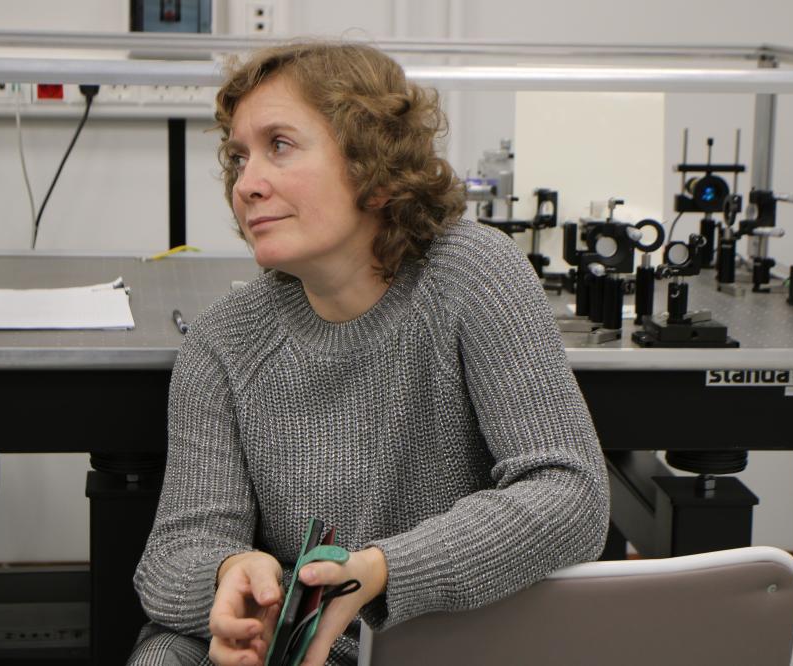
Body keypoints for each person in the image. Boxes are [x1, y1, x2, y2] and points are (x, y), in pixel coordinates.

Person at [129, 41, 609, 666]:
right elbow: (173, 556)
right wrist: (230, 576)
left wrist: (381, 572)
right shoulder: (224, 340)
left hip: (445, 638)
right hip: (295, 647)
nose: (246, 184)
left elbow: (571, 495)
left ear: (375, 169)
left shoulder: (472, 273)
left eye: (280, 145)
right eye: (239, 158)